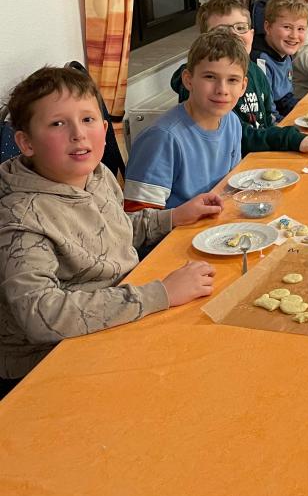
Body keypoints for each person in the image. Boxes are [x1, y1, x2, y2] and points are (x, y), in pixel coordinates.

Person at [0, 66, 218, 393]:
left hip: (120, 312)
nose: (78, 134)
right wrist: (161, 294)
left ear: (104, 129)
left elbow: (114, 230)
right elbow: (41, 314)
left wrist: (173, 217)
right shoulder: (20, 217)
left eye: (87, 119)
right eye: (58, 123)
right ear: (26, 143)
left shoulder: (96, 174)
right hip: (49, 364)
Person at [171, 0, 308, 158]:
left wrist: (297, 132)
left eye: (240, 28)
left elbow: (269, 120)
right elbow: (237, 136)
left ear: (251, 33)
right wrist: (290, 138)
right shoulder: (199, 85)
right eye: (221, 31)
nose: (234, 36)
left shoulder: (255, 72)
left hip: (261, 156)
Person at [126, 30, 247, 210]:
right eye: (210, 77)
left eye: (232, 80)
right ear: (188, 80)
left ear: (243, 86)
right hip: (176, 227)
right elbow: (134, 219)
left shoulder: (232, 122)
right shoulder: (162, 138)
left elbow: (229, 188)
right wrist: (180, 216)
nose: (222, 89)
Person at [252, 0, 308, 118]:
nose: (294, 35)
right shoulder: (260, 62)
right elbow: (268, 114)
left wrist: (306, 113)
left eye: (300, 29)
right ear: (268, 27)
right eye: (287, 27)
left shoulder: (285, 52)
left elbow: (285, 99)